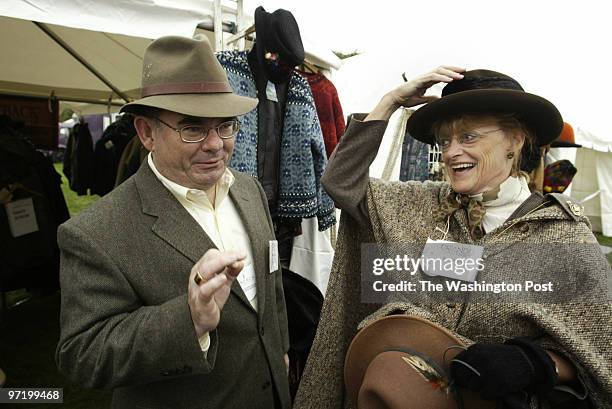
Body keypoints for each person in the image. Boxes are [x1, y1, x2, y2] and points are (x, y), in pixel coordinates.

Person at [293, 67, 611, 408]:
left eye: (468, 137)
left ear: (514, 141)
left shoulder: (561, 236)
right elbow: (340, 182)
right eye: (444, 140)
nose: (450, 152)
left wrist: (536, 363)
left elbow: (600, 352)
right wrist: (389, 103)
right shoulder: (420, 206)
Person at [55, 34, 291, 409]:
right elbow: (84, 355)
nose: (216, 144)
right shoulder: (95, 233)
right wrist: (189, 318)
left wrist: (280, 351)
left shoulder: (249, 190)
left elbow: (271, 284)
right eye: (193, 128)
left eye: (225, 125)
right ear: (147, 132)